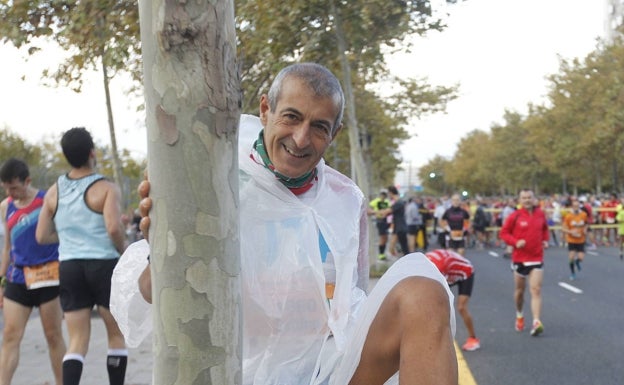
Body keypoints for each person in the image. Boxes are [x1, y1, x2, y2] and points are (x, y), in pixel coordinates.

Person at [135, 63, 457, 384]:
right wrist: (161, 252)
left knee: (423, 295)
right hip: (240, 375)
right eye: (291, 117)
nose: (301, 139)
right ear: (265, 110)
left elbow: (352, 305)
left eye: (319, 126)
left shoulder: (346, 199)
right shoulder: (215, 183)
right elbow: (152, 292)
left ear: (335, 134)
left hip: (332, 370)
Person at [36, 127, 129, 385]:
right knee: (116, 334)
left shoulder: (54, 192)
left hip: (70, 267)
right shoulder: (106, 187)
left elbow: (42, 235)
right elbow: (113, 228)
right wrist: (125, 250)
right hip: (104, 265)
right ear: (92, 152)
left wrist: (67, 235)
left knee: (77, 340)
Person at [0, 158, 66, 385]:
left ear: (27, 181)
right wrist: (1, 281)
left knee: (53, 335)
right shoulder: (5, 206)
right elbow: (8, 247)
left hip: (49, 275)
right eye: (6, 188)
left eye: (15, 187)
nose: (11, 193)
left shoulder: (47, 200)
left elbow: (64, 234)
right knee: (10, 336)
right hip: (18, 278)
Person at [500, 188, 549, 337]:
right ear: (520, 200)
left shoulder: (540, 214)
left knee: (535, 290)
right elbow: (503, 233)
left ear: (534, 199)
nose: (527, 200)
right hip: (520, 259)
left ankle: (536, 321)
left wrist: (545, 240)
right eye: (524, 198)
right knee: (520, 292)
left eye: (529, 197)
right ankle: (520, 314)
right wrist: (515, 242)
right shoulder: (514, 216)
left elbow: (545, 229)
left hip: (536, 257)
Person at [425, 248, 480, 351]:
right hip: (450, 271)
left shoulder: (439, 266)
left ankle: (473, 339)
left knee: (461, 307)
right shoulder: (425, 261)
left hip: (465, 273)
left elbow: (440, 291)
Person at [562, 197, 588, 280]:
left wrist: (585, 229)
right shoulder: (568, 216)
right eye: (574, 206)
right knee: (571, 257)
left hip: (581, 239)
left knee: (581, 257)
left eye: (577, 206)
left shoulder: (583, 214)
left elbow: (586, 224)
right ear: (572, 207)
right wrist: (571, 232)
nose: (576, 208)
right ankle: (572, 273)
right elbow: (563, 228)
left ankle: (578, 262)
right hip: (572, 240)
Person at [380, 186, 409, 257]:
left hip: (400, 227)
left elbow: (388, 211)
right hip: (398, 227)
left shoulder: (399, 203)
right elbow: (388, 212)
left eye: (388, 194)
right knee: (394, 248)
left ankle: (406, 261)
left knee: (403, 248)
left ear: (391, 193)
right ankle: (401, 261)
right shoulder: (398, 202)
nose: (388, 196)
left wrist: (372, 212)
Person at [367, 190, 391, 260]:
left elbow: (389, 210)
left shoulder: (387, 202)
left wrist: (386, 213)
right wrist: (377, 212)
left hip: (385, 221)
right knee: (382, 237)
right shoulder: (375, 201)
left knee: (385, 238)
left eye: (385, 195)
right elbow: (369, 210)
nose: (383, 196)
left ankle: (382, 253)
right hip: (380, 221)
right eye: (382, 195)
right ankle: (381, 254)